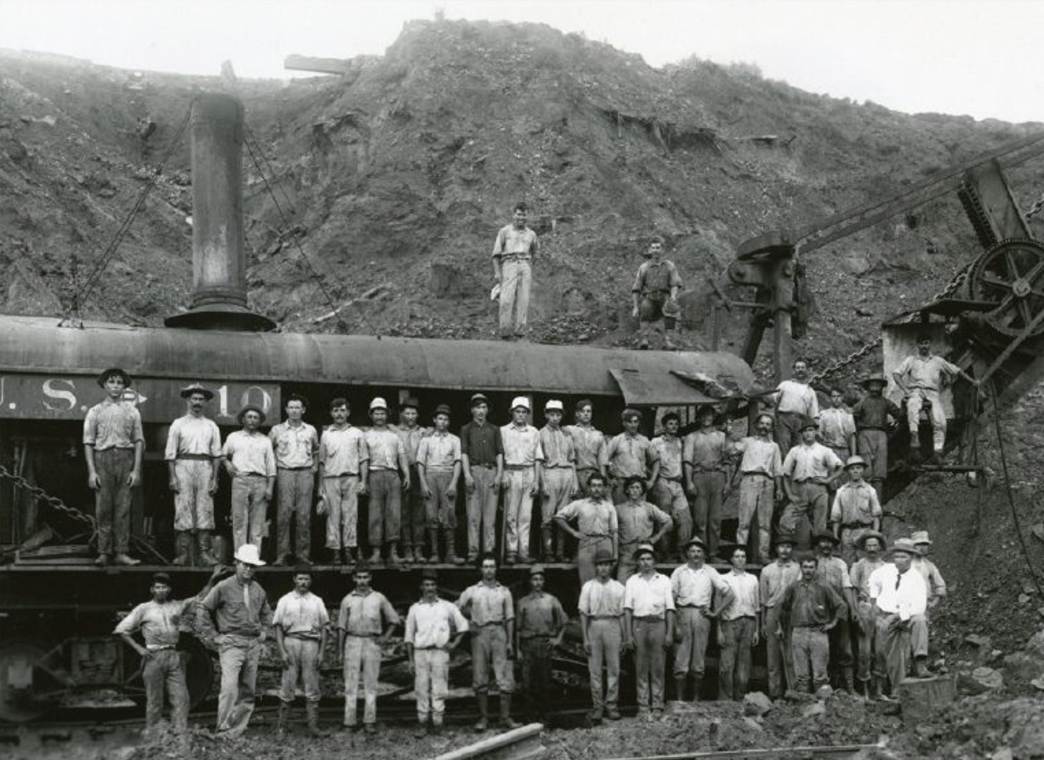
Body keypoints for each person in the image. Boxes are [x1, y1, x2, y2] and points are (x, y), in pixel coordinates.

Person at [114, 567, 222, 733]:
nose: (161, 590)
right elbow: (121, 631)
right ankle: (154, 737)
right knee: (154, 701)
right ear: (152, 590)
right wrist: (139, 649)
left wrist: (212, 579)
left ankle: (179, 735)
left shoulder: (176, 606)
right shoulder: (143, 609)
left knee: (182, 698)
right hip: (153, 657)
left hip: (173, 656)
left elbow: (200, 598)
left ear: (169, 589)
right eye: (158, 587)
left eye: (164, 587)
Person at [200, 544, 272, 738]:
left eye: (252, 566)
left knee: (248, 690)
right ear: (236, 564)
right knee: (230, 688)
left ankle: (237, 731)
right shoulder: (224, 587)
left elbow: (266, 612)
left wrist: (264, 631)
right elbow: (203, 609)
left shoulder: (258, 589)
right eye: (244, 565)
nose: (248, 569)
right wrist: (214, 636)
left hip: (252, 644)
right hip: (231, 643)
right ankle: (223, 730)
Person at [84, 367, 144, 566]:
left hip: (125, 459)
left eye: (119, 382)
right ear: (104, 385)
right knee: (103, 508)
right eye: (112, 382)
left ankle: (120, 552)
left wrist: (135, 470)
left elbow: (138, 441)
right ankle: (104, 552)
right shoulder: (95, 411)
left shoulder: (132, 411)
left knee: (122, 508)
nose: (116, 386)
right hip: (103, 459)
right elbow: (88, 442)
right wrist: (92, 472)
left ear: (124, 386)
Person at [337, 561, 400, 734]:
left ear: (370, 578)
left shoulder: (378, 598)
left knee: (371, 684)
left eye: (365, 577)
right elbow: (342, 627)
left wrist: (385, 638)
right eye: (359, 577)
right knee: (350, 684)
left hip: (372, 642)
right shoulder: (347, 600)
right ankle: (349, 722)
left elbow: (394, 620)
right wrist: (340, 651)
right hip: (352, 641)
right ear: (354, 578)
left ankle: (369, 721)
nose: (362, 581)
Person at [457, 553, 518, 732]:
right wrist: (468, 624)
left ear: (496, 569)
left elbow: (510, 618)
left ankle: (505, 717)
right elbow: (455, 609)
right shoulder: (472, 591)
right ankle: (483, 718)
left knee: (505, 676)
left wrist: (510, 642)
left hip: (500, 632)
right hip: (479, 634)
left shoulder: (504, 591)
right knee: (479, 676)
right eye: (486, 566)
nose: (489, 570)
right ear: (480, 569)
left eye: (492, 566)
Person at [405, 568, 470, 736]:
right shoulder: (414, 609)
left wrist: (454, 644)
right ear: (421, 587)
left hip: (440, 652)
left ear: (437, 587)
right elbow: (409, 636)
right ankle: (422, 723)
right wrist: (411, 660)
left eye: (432, 584)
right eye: (426, 585)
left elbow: (463, 625)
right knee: (421, 688)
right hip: (420, 652)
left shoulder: (446, 606)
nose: (430, 588)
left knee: (439, 688)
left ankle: (438, 724)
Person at [892, 333, 979, 457]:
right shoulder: (911, 360)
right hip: (916, 391)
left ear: (930, 344)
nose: (924, 346)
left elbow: (956, 370)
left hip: (932, 393)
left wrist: (973, 381)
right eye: (921, 343)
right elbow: (896, 374)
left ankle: (938, 452)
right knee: (912, 407)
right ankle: (914, 443)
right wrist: (905, 390)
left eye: (926, 343)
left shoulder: (938, 361)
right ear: (917, 345)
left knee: (940, 421)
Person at [165, 383, 222, 566]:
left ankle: (205, 553)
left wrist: (215, 478)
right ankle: (183, 554)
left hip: (205, 466)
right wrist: (173, 477)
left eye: (201, 399)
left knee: (205, 508)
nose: (197, 402)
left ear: (205, 402)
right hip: (183, 465)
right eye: (194, 399)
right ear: (188, 400)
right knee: (183, 507)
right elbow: (170, 453)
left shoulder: (211, 425)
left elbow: (216, 455)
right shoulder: (178, 424)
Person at [670, 536, 733, 702]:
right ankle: (680, 700)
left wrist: (715, 612)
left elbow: (729, 594)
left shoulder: (710, 571)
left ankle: (696, 700)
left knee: (698, 658)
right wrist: (674, 621)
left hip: (701, 615)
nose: (695, 554)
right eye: (692, 551)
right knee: (681, 658)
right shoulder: (679, 571)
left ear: (704, 554)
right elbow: (670, 597)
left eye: (699, 551)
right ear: (687, 553)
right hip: (682, 612)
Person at [273, 564, 329, 737]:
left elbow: (325, 627)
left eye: (306, 579)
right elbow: (278, 627)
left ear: (310, 581)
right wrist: (282, 651)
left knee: (312, 685)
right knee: (287, 684)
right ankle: (281, 728)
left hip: (311, 644)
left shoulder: (317, 601)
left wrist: (321, 652)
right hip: (291, 642)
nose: (303, 582)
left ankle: (313, 727)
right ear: (294, 579)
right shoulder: (285, 600)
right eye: (300, 578)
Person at [868, 538, 930, 695]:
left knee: (920, 621)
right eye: (897, 557)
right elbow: (872, 581)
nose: (899, 560)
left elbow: (919, 607)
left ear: (911, 558)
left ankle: (921, 661)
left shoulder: (916, 578)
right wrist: (874, 602)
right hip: (885, 617)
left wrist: (897, 616)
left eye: (904, 557)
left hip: (907, 618)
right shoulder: (885, 570)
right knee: (893, 656)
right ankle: (896, 690)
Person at [780, 556, 847, 694]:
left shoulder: (823, 587)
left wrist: (832, 623)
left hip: (818, 633)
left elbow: (841, 605)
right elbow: (784, 607)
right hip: (798, 632)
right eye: (805, 567)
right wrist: (785, 626)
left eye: (811, 567)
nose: (808, 570)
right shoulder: (793, 587)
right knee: (801, 676)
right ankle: (804, 706)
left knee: (820, 675)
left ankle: (821, 709)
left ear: (816, 568)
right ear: (801, 568)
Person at [623, 543, 675, 719]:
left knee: (658, 666)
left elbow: (669, 609)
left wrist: (669, 633)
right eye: (642, 559)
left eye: (649, 559)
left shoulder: (664, 580)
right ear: (638, 562)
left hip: (658, 624)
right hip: (639, 625)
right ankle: (643, 707)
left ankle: (657, 705)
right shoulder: (632, 581)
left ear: (654, 561)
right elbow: (628, 609)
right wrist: (629, 634)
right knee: (641, 667)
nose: (645, 562)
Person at [269, 394, 320, 566]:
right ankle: (282, 554)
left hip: (305, 473)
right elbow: (268, 452)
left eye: (297, 407)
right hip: (285, 472)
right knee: (284, 515)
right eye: (291, 407)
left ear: (303, 410)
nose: (294, 410)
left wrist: (314, 467)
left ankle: (302, 554)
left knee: (303, 516)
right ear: (286, 409)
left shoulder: (311, 430)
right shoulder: (277, 430)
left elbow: (316, 450)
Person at [317, 398, 369, 565]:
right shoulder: (326, 434)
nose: (339, 414)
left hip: (351, 477)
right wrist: (320, 486)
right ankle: (335, 552)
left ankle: (348, 550)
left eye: (342, 410)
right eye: (336, 411)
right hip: (331, 478)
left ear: (348, 412)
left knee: (350, 516)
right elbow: (321, 462)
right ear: (331, 413)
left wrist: (363, 481)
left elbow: (363, 459)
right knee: (332, 517)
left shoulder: (357, 433)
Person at [781, 418, 844, 550]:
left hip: (819, 489)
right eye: (804, 431)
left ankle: (819, 555)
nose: (808, 433)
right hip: (800, 488)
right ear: (801, 434)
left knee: (820, 526)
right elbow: (785, 474)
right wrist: (790, 494)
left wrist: (828, 480)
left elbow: (840, 467)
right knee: (786, 521)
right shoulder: (795, 451)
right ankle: (790, 552)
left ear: (815, 431)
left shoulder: (824, 450)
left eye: (810, 430)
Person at [578, 549, 625, 724]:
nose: (603, 568)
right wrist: (585, 637)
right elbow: (583, 613)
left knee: (614, 668)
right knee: (595, 670)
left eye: (606, 564)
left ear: (611, 566)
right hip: (594, 624)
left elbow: (621, 614)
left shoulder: (619, 587)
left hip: (613, 625)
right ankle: (597, 706)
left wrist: (624, 635)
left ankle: (611, 705)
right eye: (600, 565)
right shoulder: (588, 587)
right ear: (595, 567)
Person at [729, 413, 783, 565]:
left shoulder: (774, 446)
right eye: (762, 423)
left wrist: (779, 489)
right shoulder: (747, 441)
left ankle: (763, 555)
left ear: (771, 427)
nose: (764, 427)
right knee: (744, 521)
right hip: (749, 480)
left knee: (765, 523)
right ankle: (740, 555)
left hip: (768, 482)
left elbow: (778, 469)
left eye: (768, 424)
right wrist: (729, 433)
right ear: (756, 425)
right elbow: (731, 450)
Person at [516, 564, 567, 723]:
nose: (537, 582)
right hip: (527, 645)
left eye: (540, 579)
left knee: (544, 682)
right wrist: (518, 649)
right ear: (530, 581)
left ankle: (545, 718)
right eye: (534, 579)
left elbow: (564, 622)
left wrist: (557, 639)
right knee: (527, 684)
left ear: (544, 581)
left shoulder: (552, 600)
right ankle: (529, 718)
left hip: (544, 644)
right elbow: (518, 629)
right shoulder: (522, 602)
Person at [222, 406, 276, 553]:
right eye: (249, 417)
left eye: (256, 418)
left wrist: (270, 487)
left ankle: (253, 557)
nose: (252, 420)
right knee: (239, 521)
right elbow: (222, 454)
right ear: (243, 419)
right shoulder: (234, 437)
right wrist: (227, 463)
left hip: (260, 481)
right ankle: (240, 557)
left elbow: (271, 466)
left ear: (259, 421)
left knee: (257, 524)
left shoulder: (265, 440)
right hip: (240, 480)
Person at [363, 397, 410, 567]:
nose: (380, 416)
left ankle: (393, 552)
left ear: (386, 415)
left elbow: (402, 455)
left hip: (392, 476)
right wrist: (364, 480)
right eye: (376, 412)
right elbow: (363, 460)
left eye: (382, 412)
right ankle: (376, 553)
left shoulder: (394, 436)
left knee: (394, 514)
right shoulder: (366, 435)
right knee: (374, 515)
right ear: (371, 415)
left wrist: (406, 475)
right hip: (374, 474)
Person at [460, 393, 505, 561]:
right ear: (472, 410)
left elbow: (500, 453)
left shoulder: (494, 429)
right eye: (477, 407)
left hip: (491, 472)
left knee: (490, 518)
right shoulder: (466, 429)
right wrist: (467, 474)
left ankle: (488, 553)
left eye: (484, 407)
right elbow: (464, 452)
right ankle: (473, 552)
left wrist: (499, 474)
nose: (481, 411)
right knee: (473, 516)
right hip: (474, 471)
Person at [416, 404, 462, 564]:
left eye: (446, 419)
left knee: (449, 514)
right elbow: (420, 463)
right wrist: (423, 484)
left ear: (449, 422)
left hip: (448, 476)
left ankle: (450, 553)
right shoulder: (426, 440)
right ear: (434, 420)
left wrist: (454, 483)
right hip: (430, 476)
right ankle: (435, 553)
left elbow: (457, 462)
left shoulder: (455, 439)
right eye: (440, 418)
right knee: (431, 515)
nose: (442, 422)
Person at [500, 397, 544, 564]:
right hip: (511, 472)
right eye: (517, 411)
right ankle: (511, 550)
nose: (520, 415)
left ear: (527, 414)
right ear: (512, 412)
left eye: (524, 412)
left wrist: (536, 481)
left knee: (525, 516)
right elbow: (500, 455)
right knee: (511, 515)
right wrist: (503, 473)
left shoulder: (534, 432)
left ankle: (523, 551)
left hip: (529, 472)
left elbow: (538, 458)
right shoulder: (503, 431)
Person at [812, 532, 858, 693]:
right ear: (818, 544)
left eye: (830, 543)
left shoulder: (840, 563)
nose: (827, 546)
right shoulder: (811, 563)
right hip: (818, 613)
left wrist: (852, 608)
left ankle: (850, 687)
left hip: (839, 610)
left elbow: (847, 586)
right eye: (823, 542)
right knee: (823, 651)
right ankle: (823, 689)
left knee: (845, 649)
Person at [683, 405, 730, 560]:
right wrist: (689, 482)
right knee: (700, 518)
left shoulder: (721, 436)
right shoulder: (692, 437)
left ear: (713, 417)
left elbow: (727, 461)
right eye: (703, 415)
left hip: (718, 476)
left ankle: (713, 553)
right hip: (700, 476)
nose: (706, 418)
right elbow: (688, 461)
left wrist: (728, 482)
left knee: (715, 519)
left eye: (709, 415)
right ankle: (701, 553)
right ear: (699, 418)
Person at [555, 473, 619, 583]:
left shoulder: (609, 506)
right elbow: (558, 517)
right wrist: (574, 532)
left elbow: (614, 532)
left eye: (599, 486)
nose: (596, 489)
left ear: (604, 488)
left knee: (605, 581)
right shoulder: (579, 504)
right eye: (593, 486)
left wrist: (615, 554)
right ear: (589, 488)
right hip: (587, 543)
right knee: (586, 581)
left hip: (605, 542)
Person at [759, 533, 801, 700]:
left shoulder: (798, 568)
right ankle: (775, 694)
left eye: (788, 547)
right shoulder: (767, 570)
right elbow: (763, 599)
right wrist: (763, 622)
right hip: (772, 612)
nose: (785, 550)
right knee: (773, 655)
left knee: (792, 654)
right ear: (776, 549)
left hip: (792, 612)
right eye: (782, 546)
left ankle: (793, 691)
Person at [492, 201, 540, 340]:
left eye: (524, 215)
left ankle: (520, 331)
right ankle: (505, 331)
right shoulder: (504, 231)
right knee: (506, 299)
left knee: (523, 299)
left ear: (527, 216)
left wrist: (529, 266)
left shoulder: (531, 234)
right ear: (513, 215)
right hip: (509, 264)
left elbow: (536, 252)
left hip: (525, 264)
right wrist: (497, 272)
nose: (521, 218)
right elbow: (495, 254)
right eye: (519, 214)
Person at [718, 546, 760, 701]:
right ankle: (725, 701)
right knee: (727, 665)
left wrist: (756, 629)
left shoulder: (753, 579)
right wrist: (719, 630)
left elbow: (756, 606)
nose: (740, 559)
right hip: (729, 623)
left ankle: (740, 699)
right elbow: (718, 608)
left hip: (748, 623)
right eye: (737, 556)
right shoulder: (723, 579)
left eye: (743, 556)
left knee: (744, 665)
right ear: (731, 559)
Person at [538, 400, 579, 562]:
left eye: (558, 414)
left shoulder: (566, 434)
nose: (555, 418)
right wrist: (543, 483)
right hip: (549, 473)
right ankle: (548, 553)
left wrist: (575, 482)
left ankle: (560, 553)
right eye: (552, 414)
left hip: (567, 474)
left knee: (563, 515)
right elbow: (539, 461)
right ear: (546, 414)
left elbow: (572, 460)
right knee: (547, 516)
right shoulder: (540, 434)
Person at [849, 532, 887, 699]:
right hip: (864, 607)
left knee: (880, 651)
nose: (872, 549)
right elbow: (852, 589)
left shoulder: (887, 567)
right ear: (864, 548)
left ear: (879, 548)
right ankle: (864, 690)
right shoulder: (858, 566)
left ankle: (878, 690)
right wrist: (855, 611)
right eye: (869, 546)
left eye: (875, 545)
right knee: (864, 652)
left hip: (882, 609)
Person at [393, 397, 430, 564]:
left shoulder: (424, 431)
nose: (410, 416)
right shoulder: (394, 430)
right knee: (404, 512)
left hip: (419, 473)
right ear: (401, 414)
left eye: (413, 413)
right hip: (402, 472)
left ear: (418, 415)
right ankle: (407, 547)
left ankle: (418, 548)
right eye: (407, 413)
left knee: (419, 512)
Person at [615, 477, 673, 582]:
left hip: (645, 551)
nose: (634, 490)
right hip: (626, 553)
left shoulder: (648, 507)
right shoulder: (618, 509)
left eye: (637, 487)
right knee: (622, 588)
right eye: (631, 487)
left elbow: (669, 522)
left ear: (642, 490)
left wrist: (656, 538)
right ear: (627, 490)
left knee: (645, 587)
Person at [650, 412, 691, 559]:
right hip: (663, 482)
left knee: (685, 519)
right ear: (664, 425)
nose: (673, 426)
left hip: (678, 484)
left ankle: (682, 551)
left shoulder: (681, 442)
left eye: (675, 423)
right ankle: (664, 552)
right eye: (670, 423)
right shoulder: (656, 442)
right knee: (664, 519)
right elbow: (649, 461)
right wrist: (653, 480)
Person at [852, 375, 900, 500]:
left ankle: (877, 502)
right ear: (868, 387)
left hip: (881, 434)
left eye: (877, 385)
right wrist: (856, 432)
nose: (875, 388)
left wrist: (892, 425)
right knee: (866, 468)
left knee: (880, 469)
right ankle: (865, 501)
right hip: (864, 434)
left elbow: (898, 413)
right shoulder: (863, 402)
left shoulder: (885, 402)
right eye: (872, 385)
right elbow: (854, 416)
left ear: (881, 388)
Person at [631, 235, 682, 350]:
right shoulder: (644, 268)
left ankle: (667, 340)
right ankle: (644, 339)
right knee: (645, 307)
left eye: (658, 248)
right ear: (649, 250)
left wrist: (673, 296)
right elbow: (636, 288)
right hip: (649, 297)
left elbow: (675, 283)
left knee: (672, 309)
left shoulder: (669, 266)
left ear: (662, 250)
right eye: (653, 248)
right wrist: (635, 307)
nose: (655, 250)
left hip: (664, 296)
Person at [829, 456, 882, 565]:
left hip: (865, 530)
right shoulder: (841, 491)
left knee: (866, 563)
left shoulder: (870, 490)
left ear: (863, 470)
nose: (855, 471)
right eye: (852, 468)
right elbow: (836, 517)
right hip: (847, 532)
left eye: (858, 468)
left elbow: (876, 515)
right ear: (848, 471)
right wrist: (835, 537)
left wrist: (874, 535)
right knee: (847, 563)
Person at [606, 408, 659, 505]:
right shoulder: (617, 440)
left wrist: (652, 481)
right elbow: (603, 460)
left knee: (640, 513)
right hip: (621, 484)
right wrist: (608, 479)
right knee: (621, 514)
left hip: (639, 484)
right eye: (630, 422)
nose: (633, 425)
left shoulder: (644, 440)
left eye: (635, 422)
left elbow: (656, 461)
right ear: (624, 423)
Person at [771, 359, 820, 455]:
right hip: (784, 418)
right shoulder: (785, 385)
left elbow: (814, 413)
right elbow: (773, 399)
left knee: (799, 448)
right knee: (782, 446)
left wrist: (816, 429)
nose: (800, 370)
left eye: (802, 367)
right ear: (794, 370)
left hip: (801, 421)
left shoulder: (810, 391)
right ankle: (783, 469)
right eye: (798, 368)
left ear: (807, 370)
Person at [564, 398, 607, 497]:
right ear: (577, 414)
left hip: (593, 475)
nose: (586, 414)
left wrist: (603, 482)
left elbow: (602, 462)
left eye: (588, 411)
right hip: (575, 473)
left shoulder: (598, 434)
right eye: (582, 411)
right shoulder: (570, 430)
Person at [819, 388, 856, 499]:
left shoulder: (848, 416)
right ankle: (832, 514)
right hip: (830, 450)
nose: (836, 399)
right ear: (830, 398)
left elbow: (852, 436)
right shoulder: (824, 414)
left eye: (838, 396)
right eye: (833, 396)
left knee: (846, 483)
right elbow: (819, 434)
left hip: (845, 450)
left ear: (842, 398)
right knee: (832, 483)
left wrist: (853, 456)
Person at [910, 531, 947, 607]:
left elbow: (941, 585)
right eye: (919, 544)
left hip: (923, 605)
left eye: (925, 544)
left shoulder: (929, 565)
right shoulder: (905, 564)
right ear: (913, 546)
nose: (922, 548)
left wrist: (934, 602)